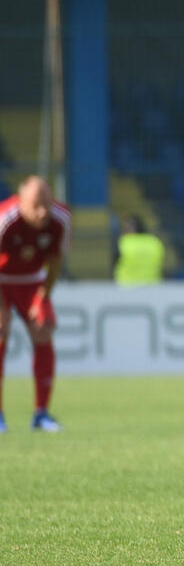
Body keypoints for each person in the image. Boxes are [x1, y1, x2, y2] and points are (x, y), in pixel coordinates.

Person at [0, 175, 71, 434]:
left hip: (32, 281)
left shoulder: (61, 218)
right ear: (21, 202)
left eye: (47, 204)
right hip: (1, 280)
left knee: (44, 328)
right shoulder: (4, 219)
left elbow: (56, 261)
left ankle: (41, 414)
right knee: (0, 332)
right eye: (35, 206)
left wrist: (43, 296)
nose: (42, 212)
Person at [113, 215, 166, 286]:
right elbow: (162, 261)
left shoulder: (123, 242)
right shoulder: (154, 241)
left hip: (127, 285)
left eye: (124, 228)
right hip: (152, 285)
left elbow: (114, 263)